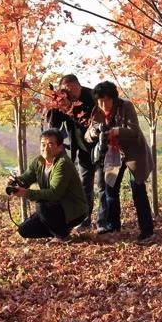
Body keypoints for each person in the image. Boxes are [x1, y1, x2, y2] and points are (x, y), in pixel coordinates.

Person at [85, 81, 155, 242]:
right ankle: (113, 226)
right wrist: (95, 132)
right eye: (100, 101)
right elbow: (88, 135)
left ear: (114, 99)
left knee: (138, 189)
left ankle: (147, 230)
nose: (103, 104)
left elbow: (134, 131)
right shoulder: (97, 111)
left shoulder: (126, 107)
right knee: (111, 189)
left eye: (107, 100)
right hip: (113, 155)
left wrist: (116, 131)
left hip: (133, 153)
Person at [9, 129, 89, 240]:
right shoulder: (39, 161)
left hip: (73, 210)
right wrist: (16, 182)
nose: (45, 148)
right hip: (52, 209)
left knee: (41, 205)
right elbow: (26, 178)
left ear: (60, 147)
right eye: (43, 144)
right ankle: (60, 229)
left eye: (50, 144)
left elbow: (54, 194)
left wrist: (26, 193)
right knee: (24, 230)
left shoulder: (63, 164)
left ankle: (62, 236)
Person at [44, 74, 97, 229]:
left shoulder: (92, 97)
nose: (70, 93)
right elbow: (53, 125)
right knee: (85, 185)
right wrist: (55, 104)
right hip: (81, 150)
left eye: (71, 89)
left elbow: (94, 122)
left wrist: (71, 109)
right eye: (64, 90)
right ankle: (85, 220)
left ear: (78, 86)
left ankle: (107, 222)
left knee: (103, 185)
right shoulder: (63, 101)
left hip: (100, 148)